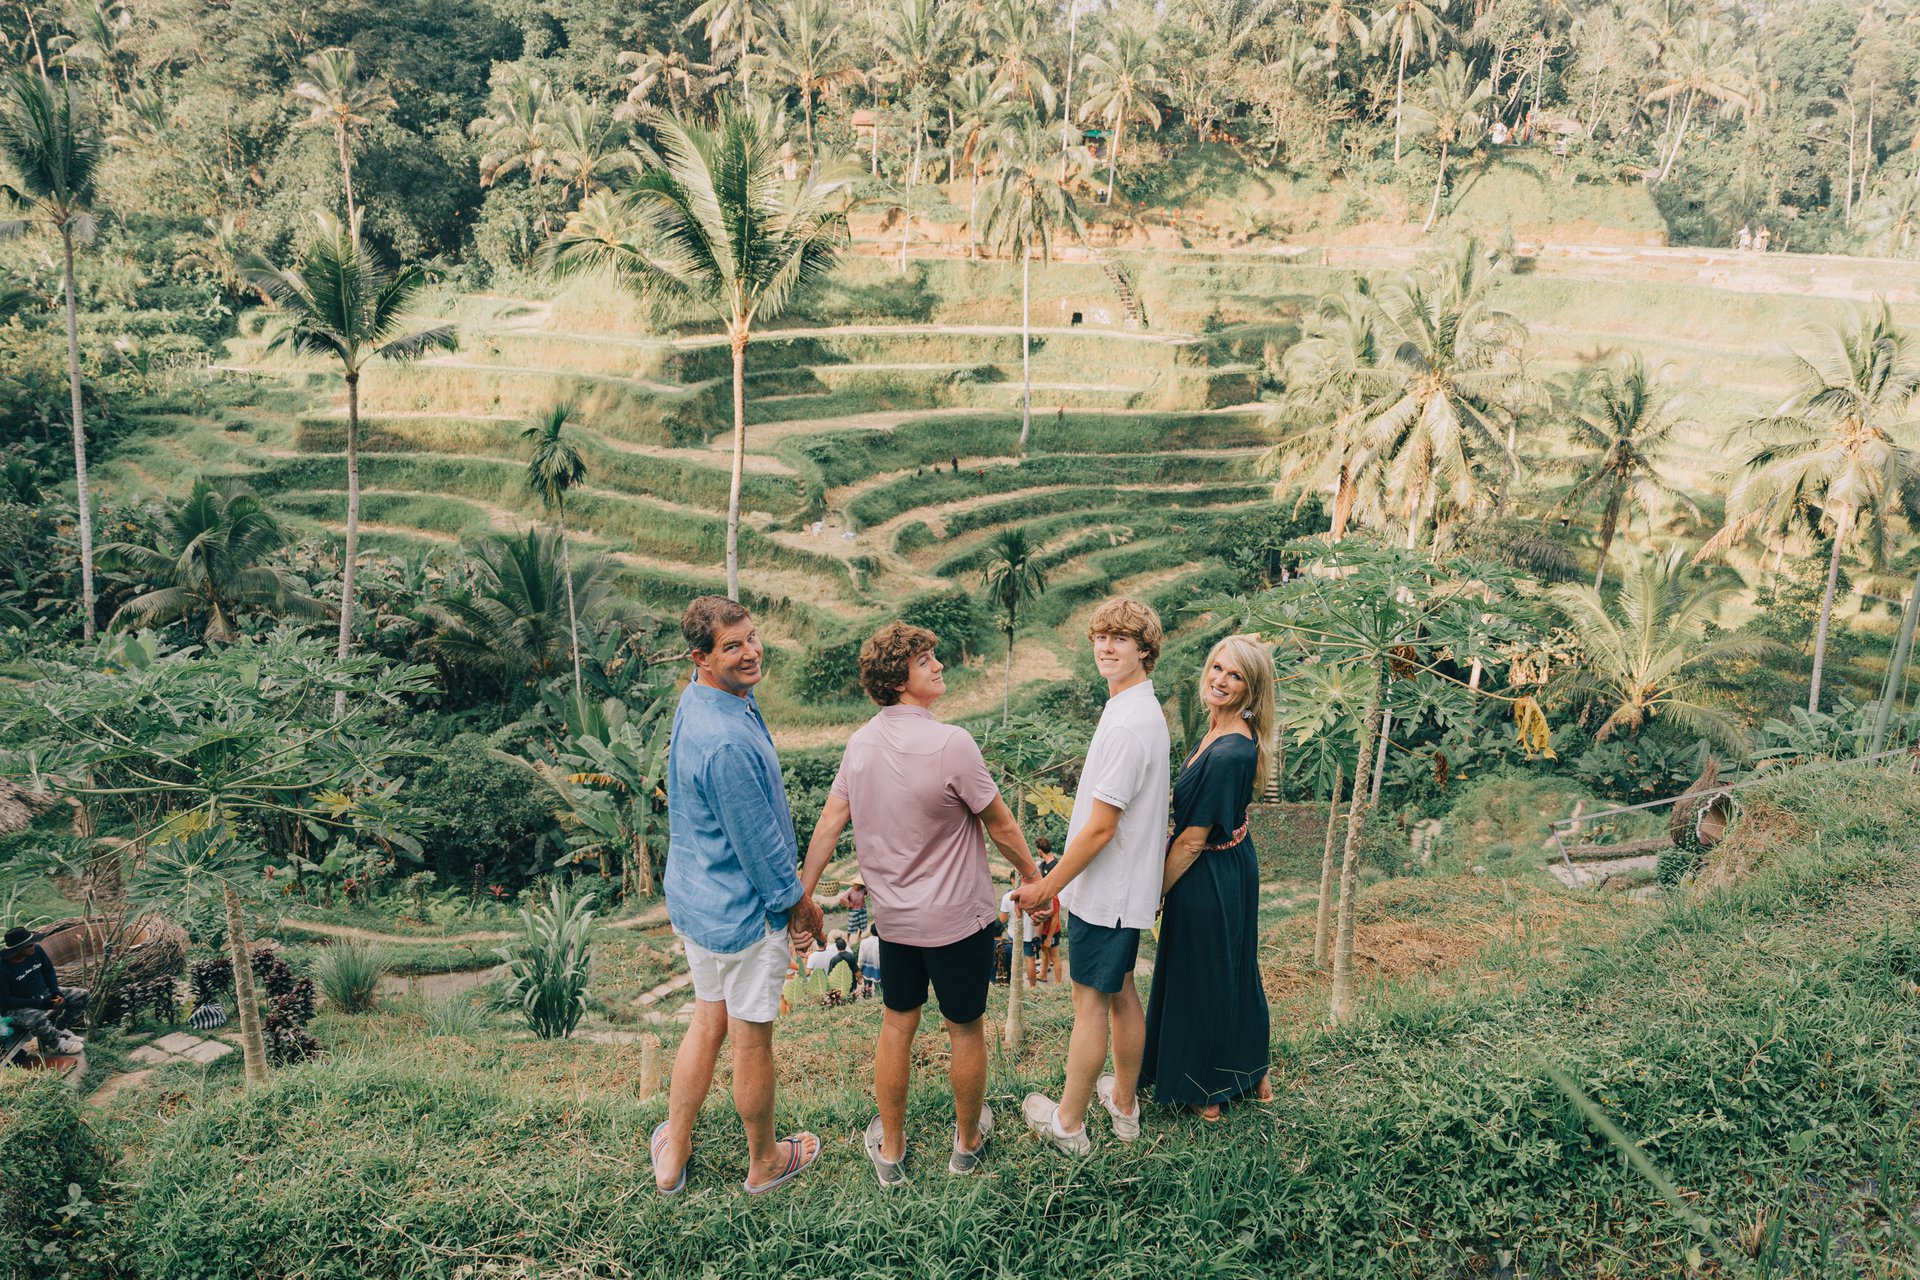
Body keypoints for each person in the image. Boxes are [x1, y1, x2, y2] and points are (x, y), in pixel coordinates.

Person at [798, 622, 1043, 1186]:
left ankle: (891, 1150)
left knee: (896, 1026)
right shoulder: (952, 743)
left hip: (896, 923)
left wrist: (803, 897)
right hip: (959, 921)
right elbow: (1001, 825)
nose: (938, 666)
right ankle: (966, 1144)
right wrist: (1035, 879)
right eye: (926, 660)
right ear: (899, 679)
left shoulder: (859, 744)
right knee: (964, 1029)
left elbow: (829, 825)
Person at [650, 596, 825, 1198]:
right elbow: (759, 849)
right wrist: (799, 907)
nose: (751, 652)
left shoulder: (701, 700)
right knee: (750, 1037)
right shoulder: (725, 741)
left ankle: (673, 1154)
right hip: (745, 915)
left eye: (751, 637)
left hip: (699, 901)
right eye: (732, 646)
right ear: (701, 656)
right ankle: (766, 1162)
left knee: (706, 1020)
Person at [1013, 598, 1170, 1155]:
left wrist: (1046, 887)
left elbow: (1102, 828)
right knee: (1122, 991)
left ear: (1145, 649)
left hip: (1108, 891)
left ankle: (1070, 1123)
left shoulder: (1129, 724)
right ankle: (1124, 1106)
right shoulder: (1132, 708)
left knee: (1089, 1006)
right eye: (1100, 637)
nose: (1106, 647)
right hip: (1124, 890)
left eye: (1120, 639)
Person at [1143, 635, 1278, 1120]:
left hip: (1209, 870)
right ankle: (1250, 1066)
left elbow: (1193, 840)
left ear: (1251, 689)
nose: (1221, 680)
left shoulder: (1228, 752)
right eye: (1218, 668)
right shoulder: (1219, 728)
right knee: (1232, 964)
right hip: (1228, 862)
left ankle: (1208, 1087)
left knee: (1204, 972)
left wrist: (1152, 892)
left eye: (1235, 675)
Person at [0, 927, 87, 1056]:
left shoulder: (37, 951)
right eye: (29, 945)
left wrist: (55, 992)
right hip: (17, 1007)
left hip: (43, 994)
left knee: (81, 996)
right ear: (17, 949)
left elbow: (48, 971)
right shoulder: (3, 967)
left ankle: (60, 1029)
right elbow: (6, 1000)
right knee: (37, 1017)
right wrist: (40, 1003)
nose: (33, 946)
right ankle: (57, 1043)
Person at [998, 885, 1039, 986]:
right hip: (1030, 935)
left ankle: (1014, 983)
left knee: (1013, 959)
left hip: (1013, 934)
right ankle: (1033, 987)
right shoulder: (1035, 895)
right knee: (1030, 960)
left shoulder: (1008, 896)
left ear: (1013, 880)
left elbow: (1002, 919)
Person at [857, 931, 882, 998]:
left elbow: (861, 957)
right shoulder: (881, 942)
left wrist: (859, 968)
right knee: (879, 990)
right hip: (878, 970)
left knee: (867, 989)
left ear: (871, 931)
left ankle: (867, 1000)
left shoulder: (864, 942)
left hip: (866, 970)